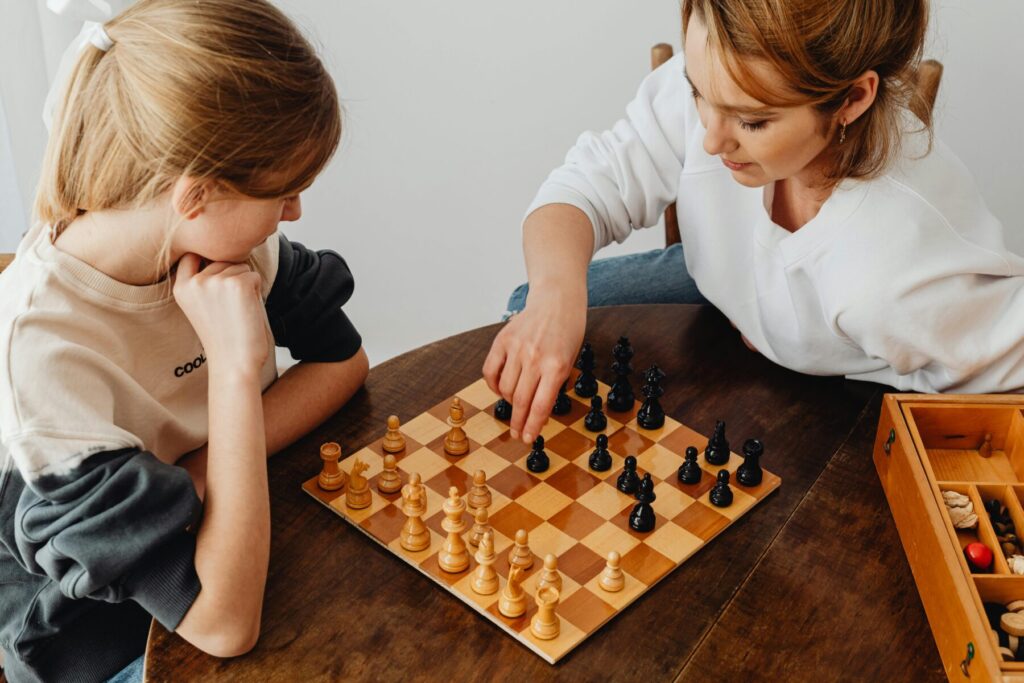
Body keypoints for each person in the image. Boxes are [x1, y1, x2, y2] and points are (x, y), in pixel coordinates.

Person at [0, 1, 369, 680]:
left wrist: (197, 478)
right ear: (196, 194)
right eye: (284, 191)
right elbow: (225, 625)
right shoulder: (44, 355)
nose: (294, 212)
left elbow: (343, 362)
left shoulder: (225, 245)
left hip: (244, 553)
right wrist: (233, 368)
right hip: (105, 642)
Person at [485, 0, 1024, 445]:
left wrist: (825, 356)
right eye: (699, 92)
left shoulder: (895, 276)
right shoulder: (724, 70)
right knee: (526, 308)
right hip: (718, 285)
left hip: (834, 368)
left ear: (852, 99)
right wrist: (555, 300)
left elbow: (1007, 378)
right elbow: (582, 187)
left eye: (752, 120)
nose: (712, 140)